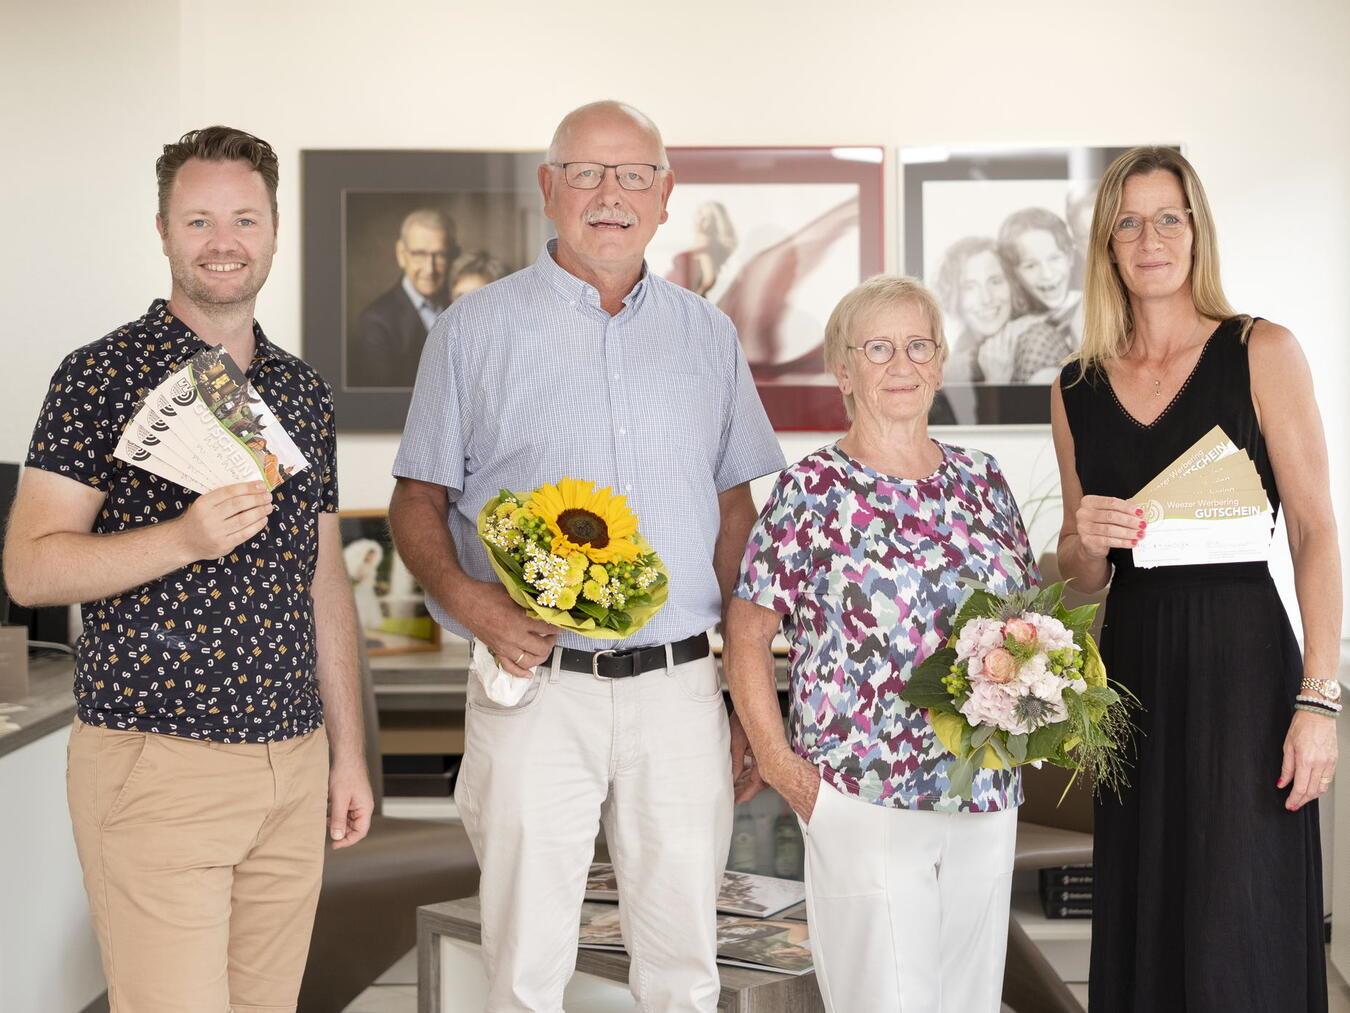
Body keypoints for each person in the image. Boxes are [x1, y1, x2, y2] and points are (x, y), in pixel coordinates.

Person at [388, 100, 784, 1013]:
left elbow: (737, 517)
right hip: (534, 687)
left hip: (681, 692)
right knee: (525, 965)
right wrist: (468, 600)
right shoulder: (473, 332)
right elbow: (420, 501)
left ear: (666, 194)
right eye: (588, 174)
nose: (612, 195)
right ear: (548, 189)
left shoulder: (707, 336)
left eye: (634, 174)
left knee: (685, 965)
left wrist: (748, 696)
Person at [2, 125, 372, 1012]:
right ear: (163, 230)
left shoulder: (302, 391)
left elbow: (322, 583)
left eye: (244, 219)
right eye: (198, 220)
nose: (223, 242)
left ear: (275, 231)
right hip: (158, 763)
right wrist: (183, 538)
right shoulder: (97, 377)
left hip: (291, 765)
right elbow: (28, 570)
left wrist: (347, 754)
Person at [1051, 145, 1340, 1013]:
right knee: (1146, 907)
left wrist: (1319, 700)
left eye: (1168, 215)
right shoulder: (1075, 387)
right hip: (1130, 675)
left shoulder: (1262, 350)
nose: (1150, 237)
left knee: (1239, 912)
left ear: (1196, 229)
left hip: (1245, 668)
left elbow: (1318, 530)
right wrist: (1087, 541)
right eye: (1129, 220)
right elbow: (1078, 576)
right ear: (1107, 243)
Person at [725, 274, 1038, 1013]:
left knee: (968, 998)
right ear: (844, 369)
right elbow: (746, 633)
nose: (901, 363)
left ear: (938, 361)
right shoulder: (810, 490)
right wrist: (782, 765)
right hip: (861, 790)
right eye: (878, 347)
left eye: (917, 345)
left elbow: (1026, 624)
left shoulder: (983, 480)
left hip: (983, 783)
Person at [350, 207, 458, 388]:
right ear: (401, 255)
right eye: (419, 254)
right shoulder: (376, 321)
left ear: (452, 256)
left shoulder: (457, 303)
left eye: (440, 255)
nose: (429, 269)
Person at [981, 207, 1084, 384]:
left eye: (1054, 258)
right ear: (1014, 274)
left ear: (1070, 257)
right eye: (1030, 266)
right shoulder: (1015, 321)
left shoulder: (1088, 310)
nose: (1047, 274)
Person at [934, 236, 1017, 383]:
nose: (986, 299)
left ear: (1012, 284)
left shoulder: (1037, 339)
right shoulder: (950, 368)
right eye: (969, 287)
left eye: (995, 281)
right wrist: (996, 380)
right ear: (953, 297)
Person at [666, 200, 738, 297]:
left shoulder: (704, 251)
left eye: (706, 218)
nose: (699, 220)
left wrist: (696, 295)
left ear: (714, 223)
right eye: (699, 214)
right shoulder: (700, 248)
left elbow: (709, 279)